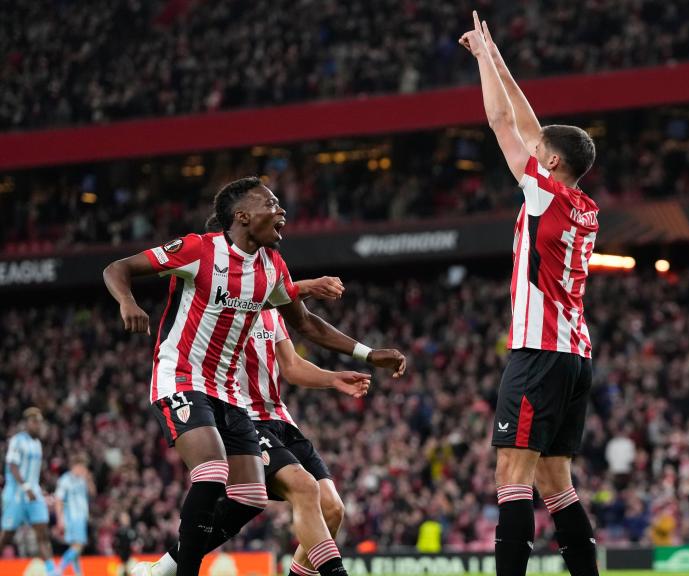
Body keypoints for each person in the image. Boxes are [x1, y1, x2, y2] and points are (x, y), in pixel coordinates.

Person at [103, 176, 406, 576]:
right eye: (271, 204)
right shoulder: (199, 249)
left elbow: (306, 323)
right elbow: (118, 268)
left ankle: (163, 569)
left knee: (250, 497)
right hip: (181, 377)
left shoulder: (272, 267)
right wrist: (127, 301)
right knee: (212, 474)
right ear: (243, 216)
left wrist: (368, 353)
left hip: (229, 393)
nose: (281, 211)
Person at [460, 13, 600, 576]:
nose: (531, 148)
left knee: (512, 478)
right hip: (574, 355)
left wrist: (480, 60)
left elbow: (502, 121)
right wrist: (497, 58)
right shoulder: (583, 206)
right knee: (556, 482)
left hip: (538, 352)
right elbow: (530, 124)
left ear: (552, 163)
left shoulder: (543, 195)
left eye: (540, 150)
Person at [0, 407, 55, 576]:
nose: (37, 425)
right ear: (27, 423)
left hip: (34, 494)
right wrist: (26, 487)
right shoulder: (17, 440)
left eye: (39, 422)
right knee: (7, 535)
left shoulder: (37, 444)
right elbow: (12, 465)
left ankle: (52, 571)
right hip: (16, 494)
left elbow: (35, 473)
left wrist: (38, 489)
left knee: (43, 533)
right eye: (34, 422)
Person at [54, 455, 94, 576]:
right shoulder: (65, 480)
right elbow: (58, 500)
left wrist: (88, 479)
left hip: (82, 516)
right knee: (79, 545)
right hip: (72, 516)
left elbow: (93, 493)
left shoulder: (83, 479)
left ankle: (78, 573)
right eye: (81, 467)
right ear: (74, 466)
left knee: (75, 547)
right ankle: (58, 570)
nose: (83, 469)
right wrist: (60, 518)